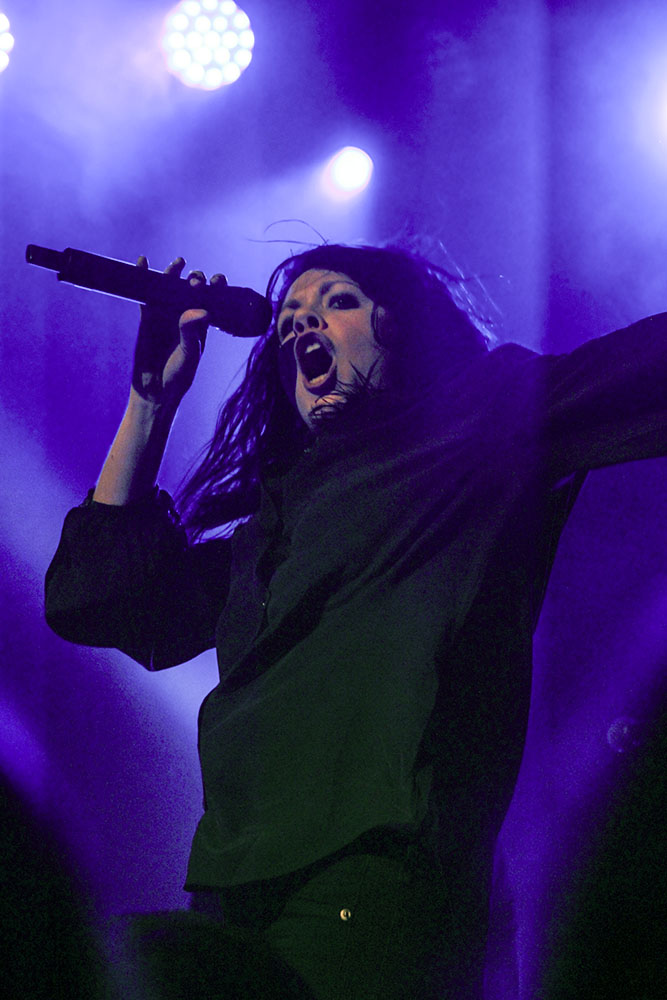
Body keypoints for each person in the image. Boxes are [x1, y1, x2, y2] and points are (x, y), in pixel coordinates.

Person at [45, 243, 667, 999]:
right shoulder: (271, 525)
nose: (302, 323)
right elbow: (99, 600)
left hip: (377, 868)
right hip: (230, 883)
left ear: (398, 326)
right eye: (286, 325)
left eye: (335, 302)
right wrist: (150, 402)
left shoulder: (476, 427)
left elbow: (641, 368)